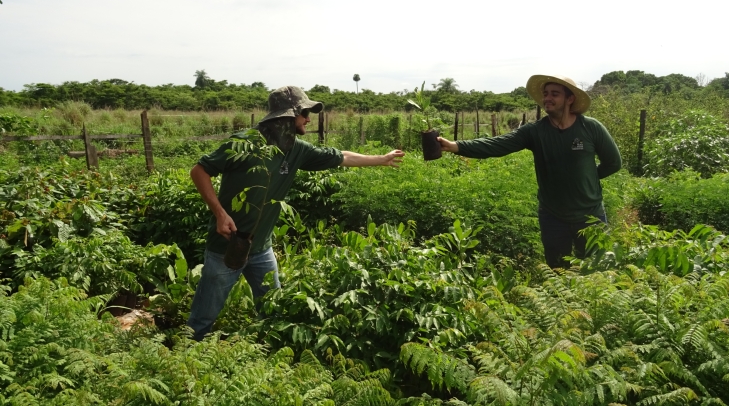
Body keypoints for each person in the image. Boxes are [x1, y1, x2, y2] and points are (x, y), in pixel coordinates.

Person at [187, 86, 404, 340]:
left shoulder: (297, 149)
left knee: (274, 310)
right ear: (288, 116)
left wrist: (381, 158)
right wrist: (220, 213)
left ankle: (266, 355)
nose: (308, 119)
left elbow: (341, 156)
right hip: (224, 247)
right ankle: (187, 356)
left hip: (261, 250)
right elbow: (199, 170)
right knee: (203, 318)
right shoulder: (245, 143)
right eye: (304, 113)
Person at [437, 75, 622, 268]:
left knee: (597, 271)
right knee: (557, 271)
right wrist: (456, 146)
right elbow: (498, 145)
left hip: (590, 215)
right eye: (545, 94)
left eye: (555, 94)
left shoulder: (590, 128)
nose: (547, 98)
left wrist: (587, 180)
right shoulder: (535, 131)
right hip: (553, 216)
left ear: (570, 99)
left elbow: (613, 162)